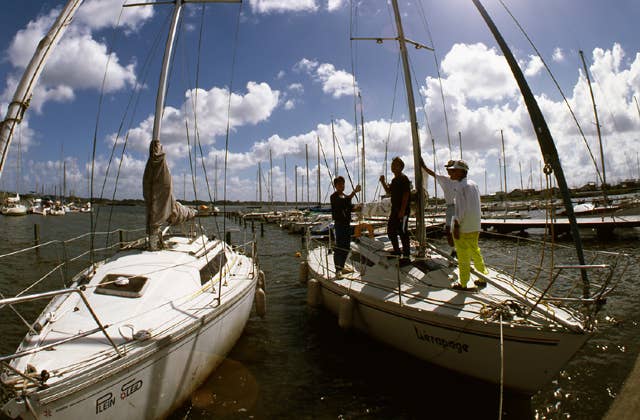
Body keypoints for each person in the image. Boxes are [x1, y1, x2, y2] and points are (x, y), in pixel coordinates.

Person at [447, 160, 488, 290]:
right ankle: (482, 278)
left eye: (453, 170)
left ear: (461, 172)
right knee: (476, 252)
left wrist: (457, 225)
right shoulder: (473, 184)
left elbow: (462, 209)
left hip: (463, 227)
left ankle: (463, 283)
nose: (450, 173)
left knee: (463, 255)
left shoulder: (460, 187)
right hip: (475, 225)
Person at [420, 157, 458, 252]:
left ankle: (460, 249)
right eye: (447, 168)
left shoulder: (460, 181)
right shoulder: (444, 179)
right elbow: (432, 174)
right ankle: (454, 249)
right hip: (449, 207)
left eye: (450, 168)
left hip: (458, 206)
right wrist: (422, 165)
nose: (448, 170)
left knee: (457, 230)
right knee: (448, 230)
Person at [379, 157, 411, 265]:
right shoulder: (394, 180)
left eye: (395, 164)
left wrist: (402, 210)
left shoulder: (403, 178)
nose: (393, 166)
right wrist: (383, 182)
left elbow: (406, 195)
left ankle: (406, 256)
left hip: (403, 210)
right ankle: (397, 251)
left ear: (401, 167)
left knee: (403, 232)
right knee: (391, 231)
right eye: (392, 164)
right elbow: (389, 192)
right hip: (395, 210)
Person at [330, 176, 361, 277]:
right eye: (339, 184)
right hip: (339, 225)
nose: (342, 186)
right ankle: (337, 270)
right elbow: (342, 203)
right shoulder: (334, 197)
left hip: (347, 225)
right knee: (339, 247)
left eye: (343, 184)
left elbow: (349, 207)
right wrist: (354, 191)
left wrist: (357, 208)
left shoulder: (345, 196)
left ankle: (342, 267)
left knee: (346, 247)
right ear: (335, 186)